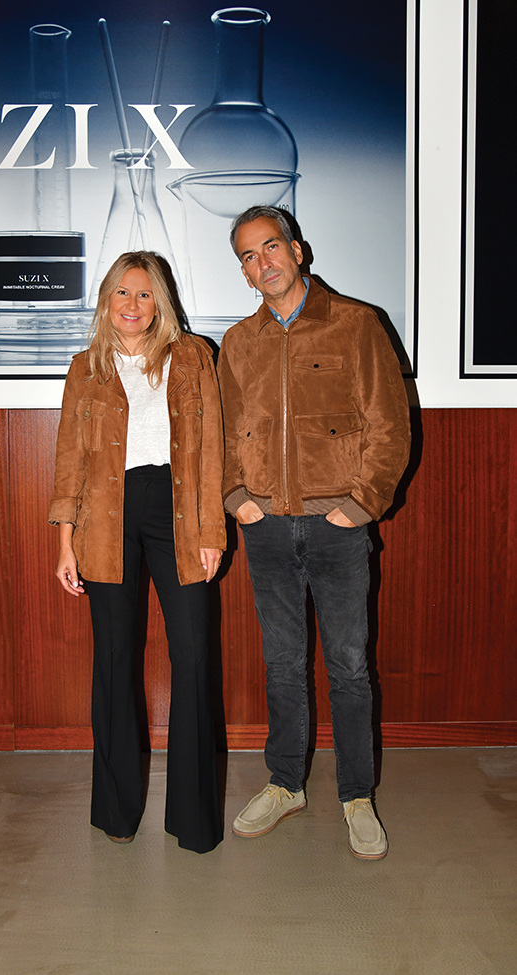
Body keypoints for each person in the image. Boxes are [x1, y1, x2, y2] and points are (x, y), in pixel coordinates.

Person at [217, 206, 411, 859]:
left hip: (338, 528)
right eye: (248, 256)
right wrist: (237, 498)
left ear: (297, 250)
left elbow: (390, 424)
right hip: (266, 528)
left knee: (349, 666)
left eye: (270, 247)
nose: (262, 262)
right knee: (282, 665)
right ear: (244, 272)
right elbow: (223, 434)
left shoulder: (357, 323)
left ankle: (357, 795)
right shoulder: (238, 342)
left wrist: (361, 505)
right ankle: (285, 784)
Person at [49, 251, 226, 854]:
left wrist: (211, 532)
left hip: (179, 515)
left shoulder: (193, 356)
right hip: (106, 519)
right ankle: (117, 811)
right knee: (115, 661)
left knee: (194, 657)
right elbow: (69, 459)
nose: (132, 304)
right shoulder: (86, 368)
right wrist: (65, 542)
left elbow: (212, 449)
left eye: (145, 294)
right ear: (106, 301)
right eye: (122, 293)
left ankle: (194, 820)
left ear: (160, 303)